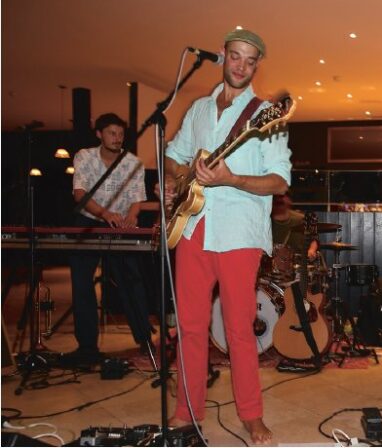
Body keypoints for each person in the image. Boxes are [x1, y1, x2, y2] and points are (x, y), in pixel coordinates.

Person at [162, 28, 290, 445]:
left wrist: (232, 178)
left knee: (238, 329)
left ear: (257, 65)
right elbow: (174, 155)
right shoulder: (199, 109)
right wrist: (175, 180)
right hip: (192, 227)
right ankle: (187, 411)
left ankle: (251, 415)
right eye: (236, 56)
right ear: (222, 55)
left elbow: (279, 181)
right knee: (190, 326)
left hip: (239, 233)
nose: (241, 66)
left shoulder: (267, 115)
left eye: (250, 60)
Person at [65, 113, 153, 366]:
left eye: (121, 133)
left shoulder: (133, 162)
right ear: (99, 134)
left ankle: (145, 340)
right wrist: (104, 214)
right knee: (81, 282)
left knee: (131, 279)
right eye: (112, 133)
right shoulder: (85, 156)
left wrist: (132, 217)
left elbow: (136, 199)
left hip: (120, 222)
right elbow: (79, 193)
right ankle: (87, 347)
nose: (117, 138)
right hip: (89, 221)